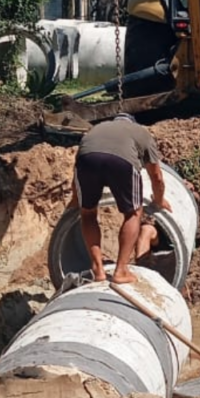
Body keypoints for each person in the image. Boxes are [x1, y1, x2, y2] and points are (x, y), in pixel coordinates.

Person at [70, 114, 171, 284]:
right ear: (132, 122)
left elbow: (77, 172)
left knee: (87, 213)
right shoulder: (141, 133)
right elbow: (157, 176)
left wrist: (75, 199)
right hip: (122, 163)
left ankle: (97, 268)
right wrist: (159, 200)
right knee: (133, 213)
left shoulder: (96, 129)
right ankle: (121, 270)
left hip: (87, 161)